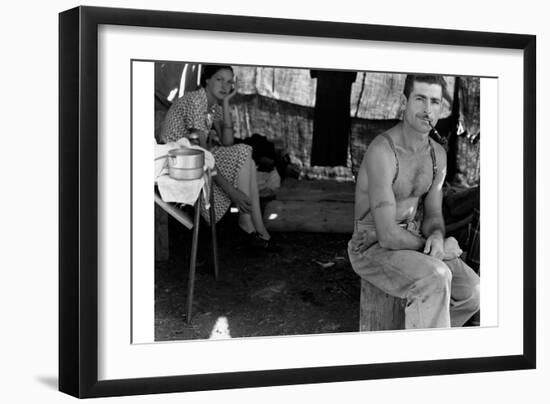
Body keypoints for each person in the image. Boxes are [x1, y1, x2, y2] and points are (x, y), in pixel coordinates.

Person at [347, 74, 480, 329]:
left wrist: (438, 238)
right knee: (435, 277)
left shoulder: (436, 154)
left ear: (442, 107)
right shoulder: (382, 152)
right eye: (420, 99)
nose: (427, 109)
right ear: (404, 102)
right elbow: (386, 236)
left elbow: (432, 215)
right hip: (372, 246)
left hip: (411, 236)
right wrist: (433, 248)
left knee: (474, 292)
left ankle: (427, 336)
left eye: (434, 102)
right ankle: (423, 359)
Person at [161, 64, 271, 247]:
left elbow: (227, 141)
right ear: (207, 80)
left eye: (229, 82)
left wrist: (226, 102)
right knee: (244, 152)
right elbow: (203, 154)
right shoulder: (196, 100)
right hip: (175, 161)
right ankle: (250, 225)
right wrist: (232, 192)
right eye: (219, 80)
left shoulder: (213, 107)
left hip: (192, 156)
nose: (224, 86)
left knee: (247, 159)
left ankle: (259, 230)